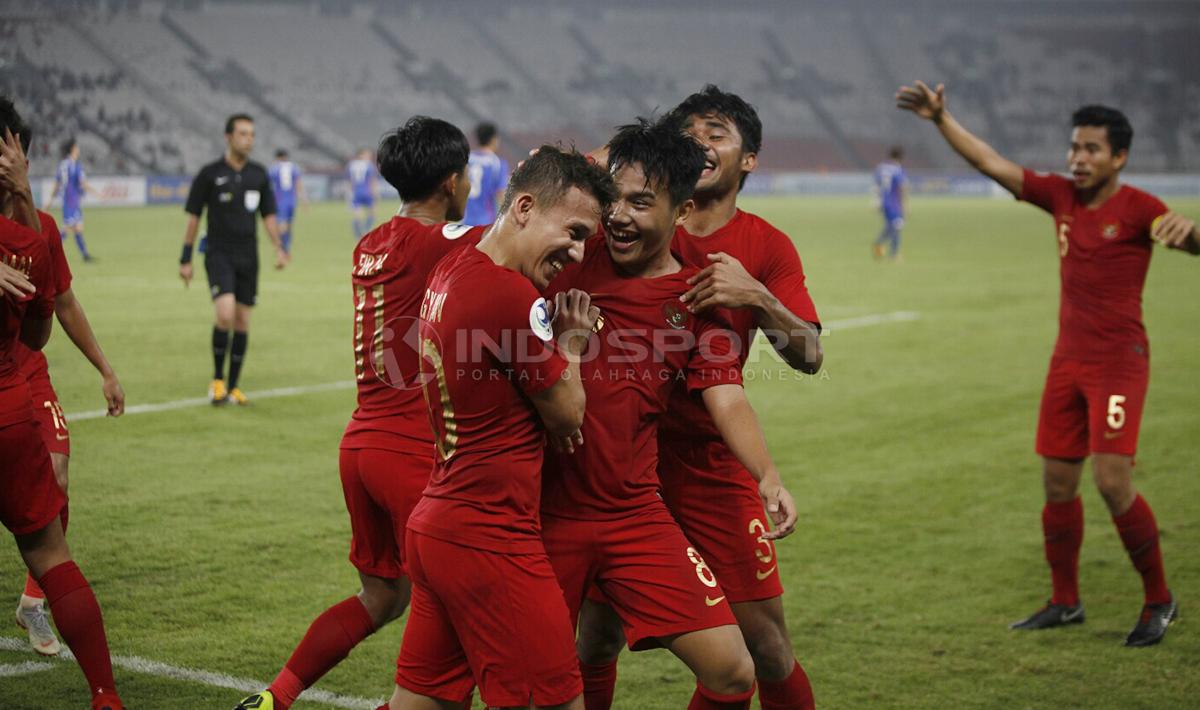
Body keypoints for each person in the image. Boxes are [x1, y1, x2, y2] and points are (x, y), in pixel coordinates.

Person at [897, 81, 1197, 646]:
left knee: (1112, 483)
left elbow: (1187, 240)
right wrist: (941, 119)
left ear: (1119, 157)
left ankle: (1160, 599)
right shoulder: (1060, 196)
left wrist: (1194, 235)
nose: (1078, 159)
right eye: (1074, 148)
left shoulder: (1141, 209)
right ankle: (1065, 602)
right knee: (1058, 484)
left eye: (1091, 150)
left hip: (1118, 364)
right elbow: (989, 161)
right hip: (1068, 363)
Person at [575, 86, 822, 710]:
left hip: (711, 465)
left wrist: (759, 298)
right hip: (623, 463)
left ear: (749, 160)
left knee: (763, 648)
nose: (702, 144)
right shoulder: (617, 236)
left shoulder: (764, 247)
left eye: (718, 133)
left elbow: (809, 356)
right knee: (595, 638)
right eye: (691, 134)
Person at [234, 116, 482, 710]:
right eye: (466, 175)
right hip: (411, 455)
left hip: (362, 444)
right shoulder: (450, 243)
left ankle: (276, 697)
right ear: (452, 182)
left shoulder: (369, 243)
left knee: (381, 597)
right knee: (459, 616)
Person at [386, 147, 615, 710]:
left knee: (422, 703)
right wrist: (573, 343)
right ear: (526, 208)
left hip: (439, 525)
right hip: (491, 538)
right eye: (575, 231)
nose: (579, 252)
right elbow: (568, 417)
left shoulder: (455, 269)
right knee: (557, 702)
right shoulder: (512, 295)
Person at [0, 99, 123, 710]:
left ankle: (32, 604)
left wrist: (104, 367)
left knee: (58, 473)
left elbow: (50, 321)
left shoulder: (38, 231)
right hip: (6, 386)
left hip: (19, 377)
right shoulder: (26, 234)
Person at [178, 113, 289, 406]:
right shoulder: (210, 174)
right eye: (242, 134)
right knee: (225, 314)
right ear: (228, 137)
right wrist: (185, 258)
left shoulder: (259, 175)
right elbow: (193, 218)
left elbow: (268, 216)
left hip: (248, 256)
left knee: (242, 322)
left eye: (251, 134)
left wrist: (279, 246)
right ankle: (217, 380)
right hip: (218, 253)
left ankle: (235, 386)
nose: (248, 139)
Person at [50, 138, 95, 262]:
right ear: (73, 149)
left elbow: (57, 183)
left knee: (78, 227)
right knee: (68, 228)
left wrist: (51, 198)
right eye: (77, 147)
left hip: (69, 200)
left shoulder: (63, 164)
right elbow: (82, 183)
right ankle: (50, 251)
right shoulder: (74, 165)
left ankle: (85, 255)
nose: (78, 149)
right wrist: (98, 193)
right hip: (71, 200)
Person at [463, 122, 510, 226]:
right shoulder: (497, 163)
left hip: (465, 220)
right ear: (494, 140)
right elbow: (501, 196)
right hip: (486, 221)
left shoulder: (466, 160)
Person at [872, 146, 907, 260]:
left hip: (884, 203)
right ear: (900, 157)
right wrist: (904, 206)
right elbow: (902, 188)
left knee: (891, 225)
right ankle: (894, 254)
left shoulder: (881, 168)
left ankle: (879, 243)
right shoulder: (897, 169)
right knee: (897, 226)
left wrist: (876, 201)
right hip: (894, 203)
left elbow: (877, 186)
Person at [269, 149, 304, 255]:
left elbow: (267, 184)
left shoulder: (274, 168)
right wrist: (303, 199)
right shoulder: (293, 167)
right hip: (291, 200)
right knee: (289, 223)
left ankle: (283, 247)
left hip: (279, 199)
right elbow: (298, 183)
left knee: (281, 223)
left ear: (278, 157)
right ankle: (287, 246)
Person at [348, 148, 380, 240]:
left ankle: (357, 233)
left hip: (356, 192)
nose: (369, 156)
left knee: (357, 213)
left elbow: (350, 181)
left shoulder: (351, 165)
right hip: (367, 191)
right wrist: (375, 193)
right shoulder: (369, 165)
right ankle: (366, 231)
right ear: (361, 155)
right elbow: (372, 180)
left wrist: (350, 192)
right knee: (373, 211)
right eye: (367, 154)